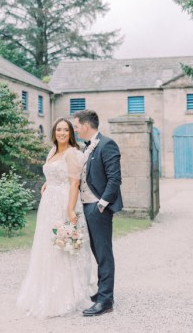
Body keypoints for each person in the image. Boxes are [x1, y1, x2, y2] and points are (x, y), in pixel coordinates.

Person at [16, 118, 95, 318]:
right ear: (54, 132)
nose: (61, 133)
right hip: (48, 204)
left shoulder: (72, 153)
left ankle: (70, 294)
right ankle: (46, 290)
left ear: (70, 133)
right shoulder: (52, 152)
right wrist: (47, 183)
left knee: (63, 245)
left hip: (63, 203)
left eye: (65, 130)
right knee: (47, 246)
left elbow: (74, 183)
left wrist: (70, 210)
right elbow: (52, 173)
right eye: (58, 129)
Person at [73, 109, 123, 317]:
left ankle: (105, 300)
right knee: (96, 251)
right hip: (86, 206)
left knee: (103, 254)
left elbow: (114, 179)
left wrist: (101, 204)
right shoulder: (88, 147)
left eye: (76, 126)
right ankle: (102, 293)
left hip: (97, 207)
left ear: (85, 125)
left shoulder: (106, 144)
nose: (75, 130)